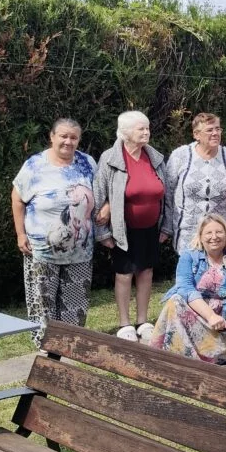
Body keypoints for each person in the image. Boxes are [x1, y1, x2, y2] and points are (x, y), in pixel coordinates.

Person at [11, 118, 97, 348]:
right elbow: (17, 198)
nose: (68, 141)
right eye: (63, 136)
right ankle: (45, 351)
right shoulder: (34, 165)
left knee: (74, 303)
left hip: (80, 252)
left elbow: (100, 193)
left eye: (73, 137)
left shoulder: (88, 163)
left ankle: (69, 349)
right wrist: (20, 234)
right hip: (41, 253)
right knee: (42, 304)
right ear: (52, 137)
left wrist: (105, 207)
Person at [93, 111, 167, 343]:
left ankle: (143, 321)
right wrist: (102, 232)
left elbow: (168, 195)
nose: (146, 132)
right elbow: (98, 195)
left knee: (146, 272)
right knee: (124, 274)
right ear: (125, 132)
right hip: (122, 230)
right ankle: (125, 323)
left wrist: (167, 227)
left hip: (150, 229)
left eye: (147, 128)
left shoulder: (155, 158)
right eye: (140, 129)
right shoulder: (110, 158)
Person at [150, 214, 226, 366]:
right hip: (200, 313)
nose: (214, 237)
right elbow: (185, 289)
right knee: (175, 301)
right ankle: (180, 355)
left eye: (219, 232)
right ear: (200, 237)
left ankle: (223, 351)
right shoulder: (189, 256)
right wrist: (210, 316)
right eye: (208, 233)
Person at [163, 113, 226, 254]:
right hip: (188, 232)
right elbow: (168, 193)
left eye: (218, 129)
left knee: (220, 273)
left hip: (220, 234)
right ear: (196, 134)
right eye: (210, 130)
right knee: (191, 273)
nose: (215, 133)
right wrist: (166, 227)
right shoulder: (180, 156)